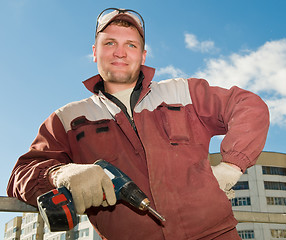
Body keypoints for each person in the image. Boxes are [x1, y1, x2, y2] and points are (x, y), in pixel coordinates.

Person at [7, 8, 269, 240]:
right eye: (110, 43)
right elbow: (21, 174)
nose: (120, 52)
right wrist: (61, 174)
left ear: (143, 55)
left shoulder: (184, 92)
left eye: (131, 45)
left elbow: (248, 105)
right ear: (95, 52)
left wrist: (232, 166)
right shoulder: (68, 119)